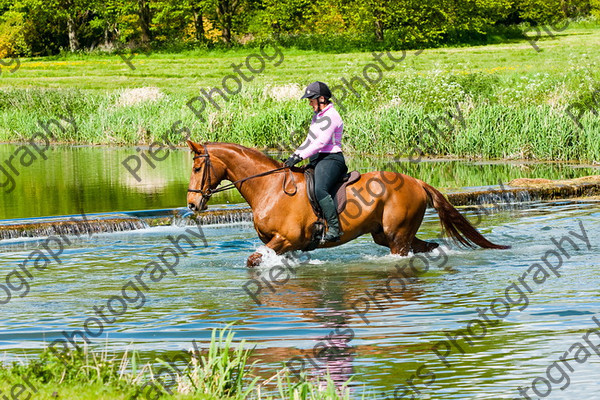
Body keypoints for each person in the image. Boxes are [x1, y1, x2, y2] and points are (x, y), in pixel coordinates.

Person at [284, 81, 348, 243]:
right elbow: (310, 140)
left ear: (321, 99)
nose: (310, 103)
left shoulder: (332, 116)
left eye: (311, 100)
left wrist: (300, 157)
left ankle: (334, 228)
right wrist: (294, 155)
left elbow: (320, 143)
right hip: (317, 158)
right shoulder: (317, 116)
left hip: (331, 159)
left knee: (320, 189)